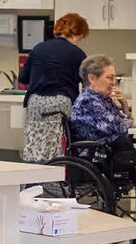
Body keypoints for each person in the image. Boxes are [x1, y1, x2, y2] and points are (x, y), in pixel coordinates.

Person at [70, 55, 136, 187]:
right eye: (109, 77)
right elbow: (116, 125)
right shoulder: (88, 101)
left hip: (119, 151)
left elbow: (124, 121)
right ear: (92, 78)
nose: (113, 82)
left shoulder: (102, 99)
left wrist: (124, 105)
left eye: (114, 78)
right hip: (103, 156)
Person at [20, 13, 90, 164]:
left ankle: (31, 185)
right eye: (80, 37)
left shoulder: (38, 48)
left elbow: (23, 78)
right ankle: (56, 185)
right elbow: (87, 84)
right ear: (77, 33)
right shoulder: (77, 53)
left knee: (35, 148)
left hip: (36, 103)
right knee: (58, 150)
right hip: (61, 102)